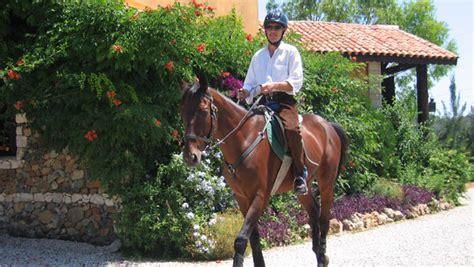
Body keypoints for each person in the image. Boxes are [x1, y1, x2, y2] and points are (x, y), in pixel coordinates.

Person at [238, 11, 307, 195]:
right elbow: (250, 84)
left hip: (284, 103)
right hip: (263, 103)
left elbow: (296, 82)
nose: (273, 31)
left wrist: (274, 85)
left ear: (283, 30)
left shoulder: (291, 52)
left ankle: (300, 174)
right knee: (243, 129)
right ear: (265, 31)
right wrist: (245, 92)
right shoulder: (258, 56)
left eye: (277, 27)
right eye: (269, 27)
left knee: (292, 129)